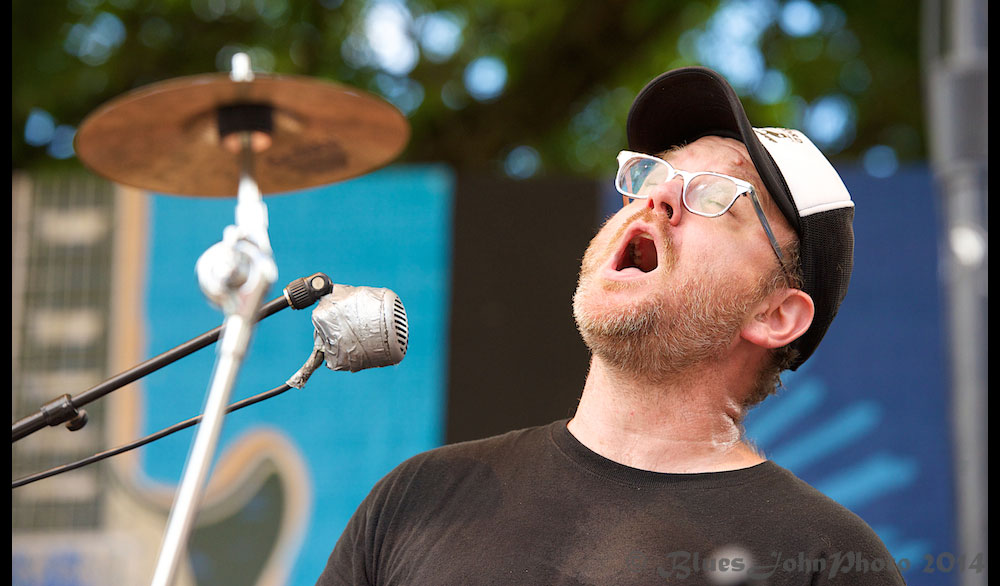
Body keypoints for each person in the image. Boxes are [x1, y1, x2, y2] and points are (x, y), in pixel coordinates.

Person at [315, 67, 905, 585]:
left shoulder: (827, 561)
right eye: (652, 175)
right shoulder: (419, 497)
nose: (659, 199)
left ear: (775, 315)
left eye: (718, 194)